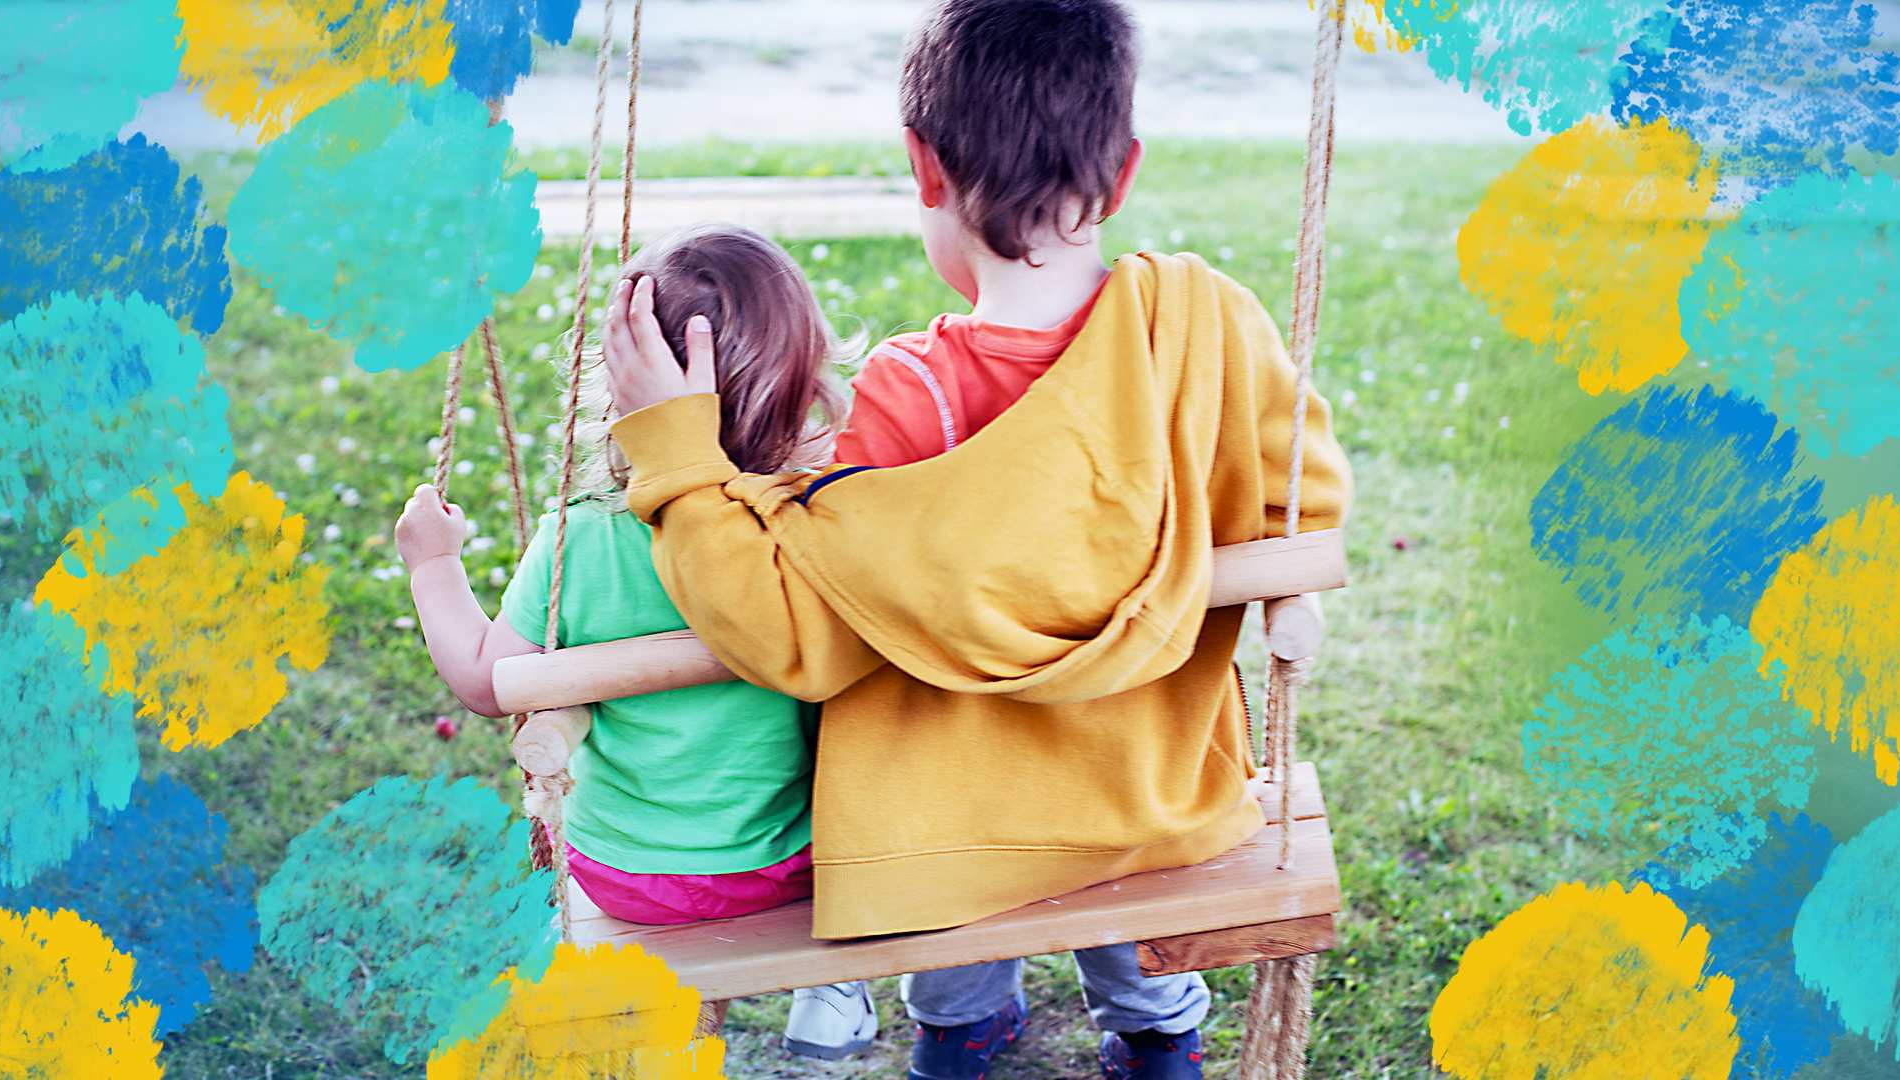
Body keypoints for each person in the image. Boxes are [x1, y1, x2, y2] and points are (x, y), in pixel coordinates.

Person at [600, 2, 1352, 1076]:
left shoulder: (902, 404)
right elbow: (1301, 501)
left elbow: (784, 634)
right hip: (1154, 797)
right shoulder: (1203, 333)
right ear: (1124, 173)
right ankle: (1157, 1032)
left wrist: (678, 455)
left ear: (923, 167)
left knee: (940, 888)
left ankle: (961, 1032)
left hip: (946, 847)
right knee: (1117, 894)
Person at [392, 224, 879, 1060]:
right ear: (805, 379)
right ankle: (834, 985)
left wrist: (433, 565)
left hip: (631, 878)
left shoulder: (581, 542)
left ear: (618, 388)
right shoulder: (815, 522)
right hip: (796, 872)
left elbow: (482, 681)